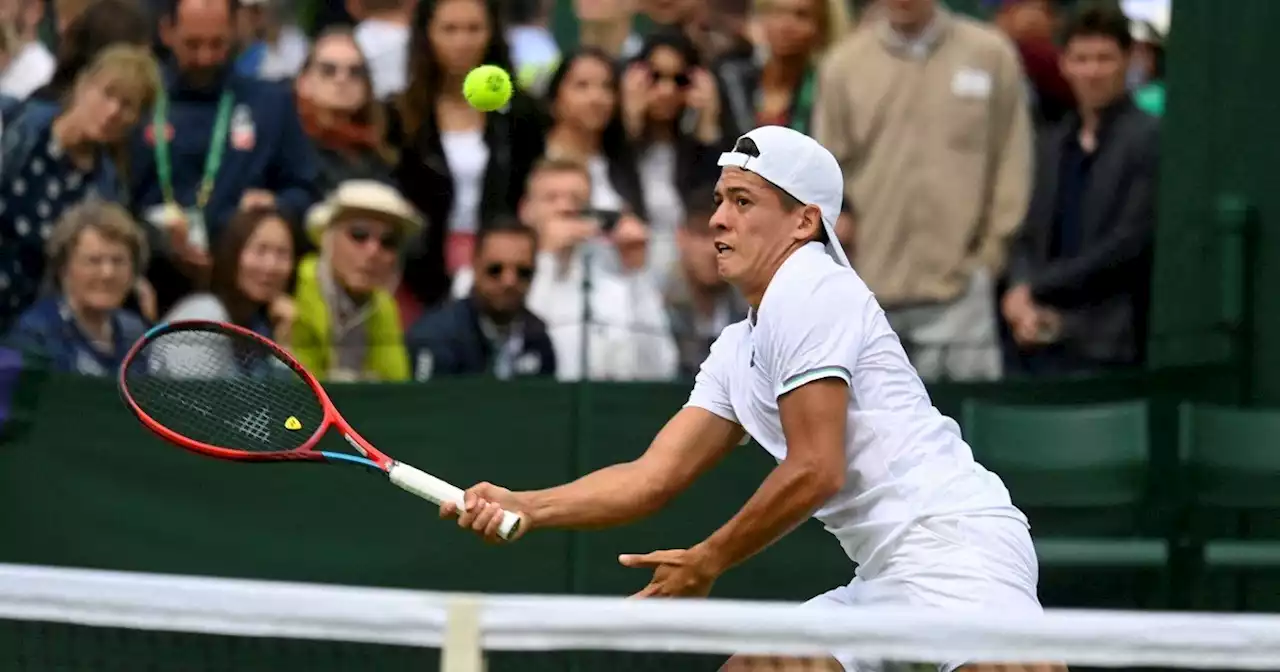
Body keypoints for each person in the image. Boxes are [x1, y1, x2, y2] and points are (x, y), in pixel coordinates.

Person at [442, 126, 1048, 672]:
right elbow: (651, 478)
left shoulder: (811, 284)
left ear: (804, 223)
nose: (717, 220)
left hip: (960, 547)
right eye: (718, 201)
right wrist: (529, 505)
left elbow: (816, 469)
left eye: (743, 201)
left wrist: (708, 558)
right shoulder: (738, 347)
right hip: (886, 575)